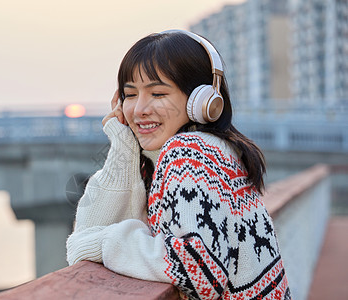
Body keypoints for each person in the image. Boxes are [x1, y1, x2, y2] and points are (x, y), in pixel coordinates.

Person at [66, 29, 291, 300]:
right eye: (130, 95)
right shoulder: (217, 149)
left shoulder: (188, 153)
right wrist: (123, 143)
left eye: (158, 94)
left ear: (202, 100)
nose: (139, 109)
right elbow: (85, 238)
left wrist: (107, 242)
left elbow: (199, 272)